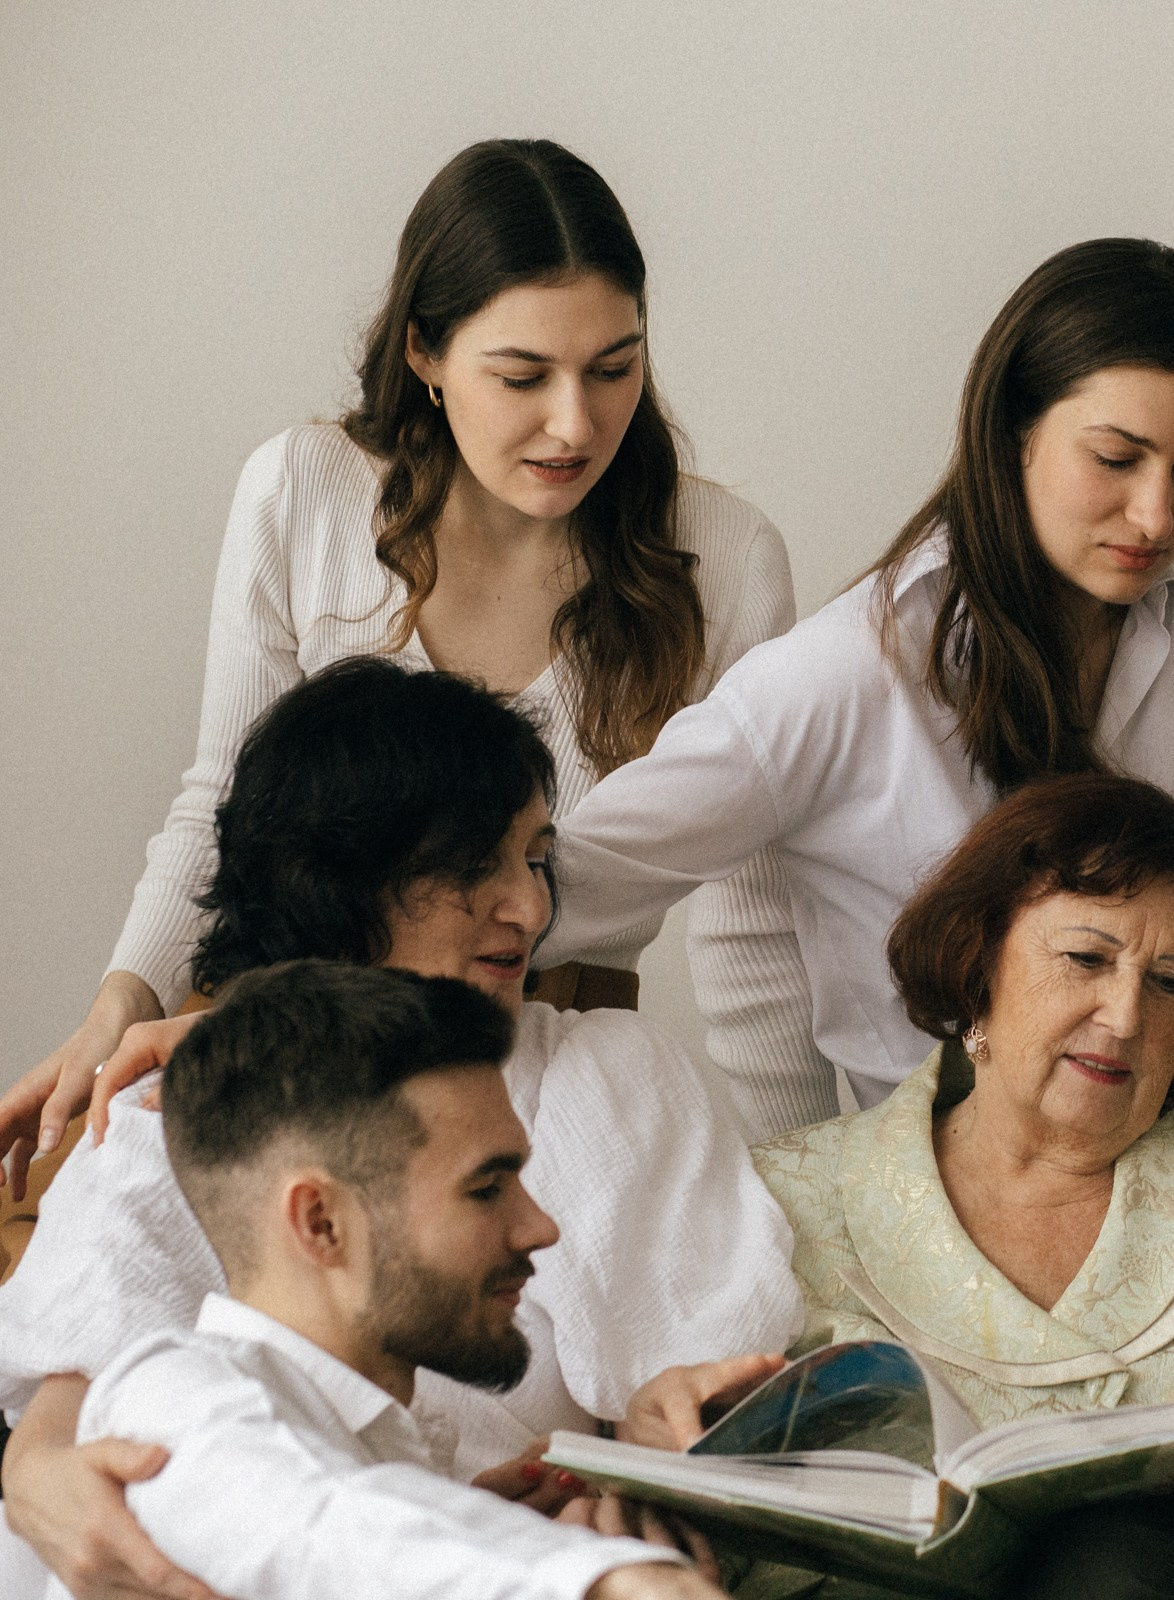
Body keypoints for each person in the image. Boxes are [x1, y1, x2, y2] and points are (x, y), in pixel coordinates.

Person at [4, 135, 815, 1174]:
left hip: (549, 1067)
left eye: (615, 367)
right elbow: (222, 798)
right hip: (286, 1029)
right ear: (425, 354)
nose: (576, 422)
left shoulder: (727, 562)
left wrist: (800, 1167)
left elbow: (755, 915)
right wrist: (122, 1001)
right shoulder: (304, 490)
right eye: (523, 376)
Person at [534, 237, 1174, 1113]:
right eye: (1114, 458)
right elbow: (560, 885)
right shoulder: (848, 675)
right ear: (1012, 432)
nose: (1155, 515)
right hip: (925, 1208)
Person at [0, 660, 799, 1598]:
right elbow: (143, 1447)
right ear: (341, 878)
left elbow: (709, 1410)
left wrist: (626, 1484)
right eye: (474, 867)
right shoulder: (180, 1111)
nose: (532, 908)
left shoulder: (608, 1075)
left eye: (537, 858)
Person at [749, 773, 1174, 1598]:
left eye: (1172, 982)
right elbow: (739, 1541)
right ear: (978, 966)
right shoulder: (783, 1196)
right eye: (1086, 958)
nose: (1124, 1016)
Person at [67, 958, 722, 1600]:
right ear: (321, 1222)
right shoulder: (171, 1401)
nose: (540, 1227)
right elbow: (315, 1523)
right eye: (487, 1188)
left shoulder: (392, 1458)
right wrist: (613, 1580)